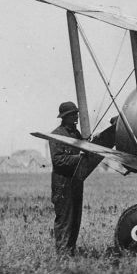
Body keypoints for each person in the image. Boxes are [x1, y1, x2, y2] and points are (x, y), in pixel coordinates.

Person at [49, 101, 87, 253]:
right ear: (65, 117)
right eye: (73, 115)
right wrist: (79, 157)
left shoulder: (76, 134)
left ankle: (70, 250)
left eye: (76, 114)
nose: (76, 117)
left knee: (75, 218)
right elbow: (58, 160)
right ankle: (62, 254)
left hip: (76, 182)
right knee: (64, 219)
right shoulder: (56, 135)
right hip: (62, 184)